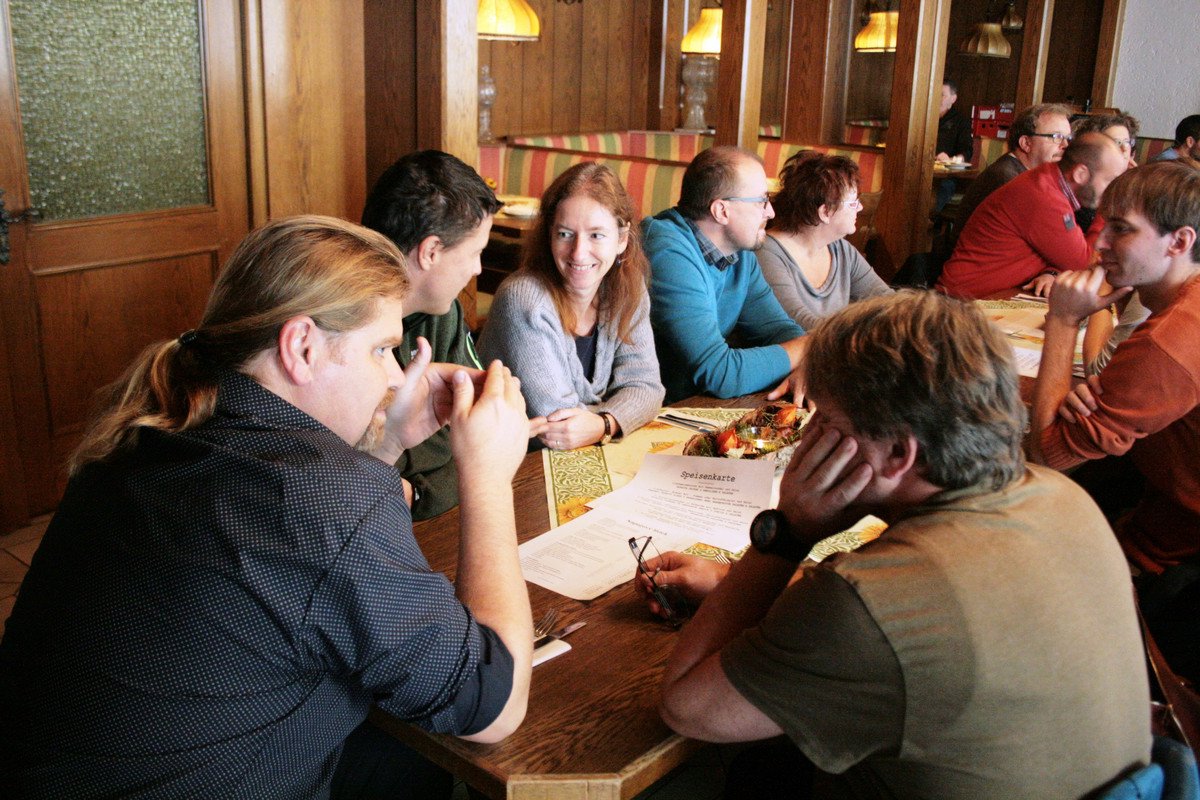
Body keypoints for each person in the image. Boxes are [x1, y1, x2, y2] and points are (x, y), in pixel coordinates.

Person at [0, 217, 533, 798]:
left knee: (399, 750)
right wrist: (488, 476)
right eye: (382, 349)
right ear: (301, 347)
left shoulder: (152, 424)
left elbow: (299, 571)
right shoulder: (316, 493)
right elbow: (495, 706)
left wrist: (389, 440)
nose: (393, 375)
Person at [640, 291, 1151, 798]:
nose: (809, 442)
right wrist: (731, 581)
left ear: (897, 455)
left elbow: (687, 707)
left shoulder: (865, 601)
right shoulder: (1063, 496)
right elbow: (908, 617)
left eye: (826, 424)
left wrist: (787, 534)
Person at [1032, 161, 1200, 575]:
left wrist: (1063, 320)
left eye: (1121, 229)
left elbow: (1048, 456)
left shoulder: (1172, 339)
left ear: (1179, 241)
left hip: (1170, 553)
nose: (1100, 243)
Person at [478, 162, 665, 451]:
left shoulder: (627, 287)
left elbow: (647, 387)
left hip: (585, 453)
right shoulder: (524, 299)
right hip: (511, 461)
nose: (578, 253)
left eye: (596, 235)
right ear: (549, 235)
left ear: (622, 239)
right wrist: (621, 414)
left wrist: (604, 423)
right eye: (565, 234)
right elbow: (558, 425)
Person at [361, 149, 501, 520]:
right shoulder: (342, 330)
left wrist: (419, 493)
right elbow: (347, 472)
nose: (477, 269)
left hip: (420, 516)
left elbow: (476, 435)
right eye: (475, 252)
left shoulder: (443, 311)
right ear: (431, 252)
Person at [643, 146, 807, 403]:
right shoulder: (666, 251)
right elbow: (719, 373)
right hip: (650, 413)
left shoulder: (739, 254)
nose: (770, 212)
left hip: (697, 406)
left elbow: (778, 330)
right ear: (721, 211)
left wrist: (806, 362)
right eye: (762, 201)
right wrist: (812, 345)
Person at [937, 132, 1128, 299]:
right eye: (1110, 181)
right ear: (1080, 174)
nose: (1114, 190)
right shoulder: (1045, 197)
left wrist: (1051, 271)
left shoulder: (1049, 181)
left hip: (988, 296)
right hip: (963, 303)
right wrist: (1107, 211)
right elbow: (1084, 261)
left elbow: (1057, 252)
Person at [756, 151, 891, 330]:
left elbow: (889, 302)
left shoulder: (842, 250)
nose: (860, 207)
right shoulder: (767, 254)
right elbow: (800, 325)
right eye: (853, 203)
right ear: (825, 212)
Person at [954, 103, 1073, 237]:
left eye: (1068, 138)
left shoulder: (1024, 173)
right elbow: (1051, 237)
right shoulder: (1009, 179)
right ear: (1026, 143)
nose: (1065, 145)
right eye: (1056, 137)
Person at [933, 79, 975, 211]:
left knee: (941, 188)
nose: (937, 98)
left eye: (942, 95)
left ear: (953, 98)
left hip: (948, 177)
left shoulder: (961, 121)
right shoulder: (924, 117)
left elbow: (967, 151)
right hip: (922, 172)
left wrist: (950, 160)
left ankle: (928, 219)